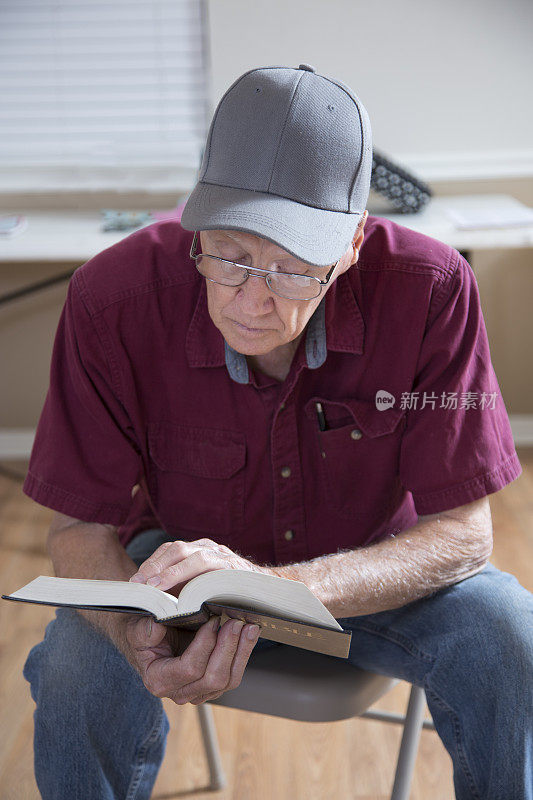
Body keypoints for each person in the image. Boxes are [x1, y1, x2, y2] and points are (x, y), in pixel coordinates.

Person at [22, 64, 532, 800]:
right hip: (174, 580)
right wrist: (138, 637)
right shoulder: (112, 298)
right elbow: (78, 529)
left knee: (510, 633)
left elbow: (462, 534)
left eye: (293, 268)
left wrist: (275, 589)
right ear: (193, 218)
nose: (252, 300)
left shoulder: (432, 288)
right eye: (227, 253)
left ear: (352, 242)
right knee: (73, 658)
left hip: (371, 570)